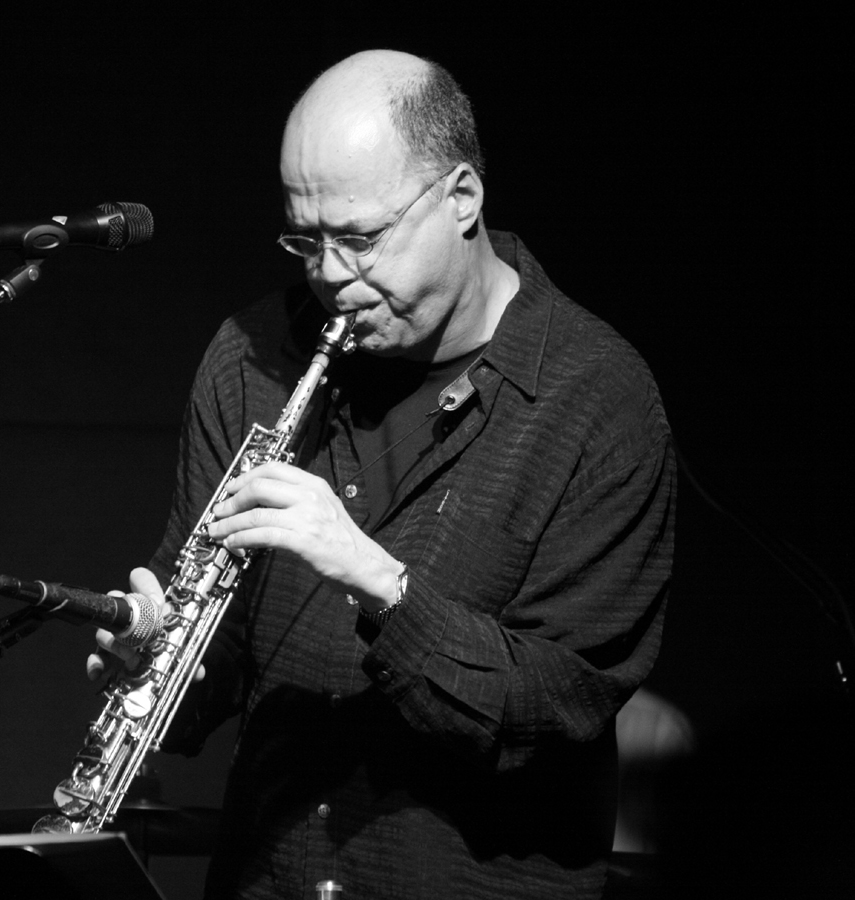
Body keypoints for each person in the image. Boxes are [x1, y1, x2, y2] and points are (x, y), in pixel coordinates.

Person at [91, 49, 674, 899]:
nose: (328, 276)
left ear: (462, 199)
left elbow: (557, 712)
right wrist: (157, 663)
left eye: (360, 238)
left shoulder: (598, 399)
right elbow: (212, 679)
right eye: (305, 239)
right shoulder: (253, 360)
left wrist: (379, 583)